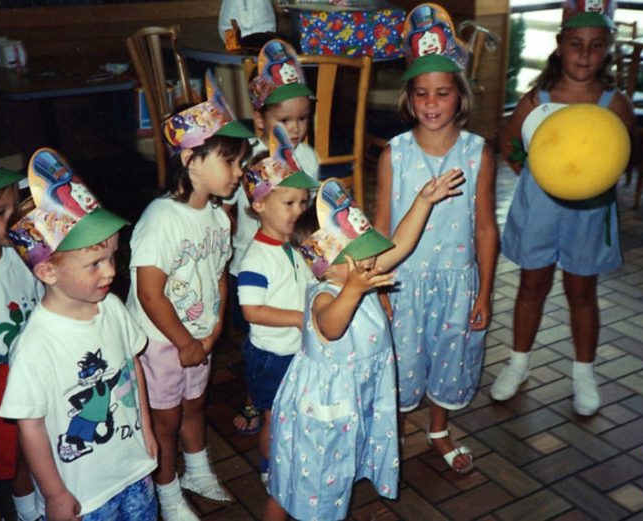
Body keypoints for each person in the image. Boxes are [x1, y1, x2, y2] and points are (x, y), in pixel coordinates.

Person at [265, 170, 464, 521]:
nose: (371, 258)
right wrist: (355, 289)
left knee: (329, 477)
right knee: (308, 489)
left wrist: (423, 201)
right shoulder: (324, 294)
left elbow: (400, 245)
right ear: (324, 264)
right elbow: (331, 325)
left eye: (368, 249)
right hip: (324, 412)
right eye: (358, 253)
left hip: (356, 400)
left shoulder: (360, 273)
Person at [492, 0, 634, 416]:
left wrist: (593, 176)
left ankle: (584, 374)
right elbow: (509, 142)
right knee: (531, 286)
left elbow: (625, 154)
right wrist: (537, 177)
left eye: (595, 45)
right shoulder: (538, 99)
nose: (585, 54)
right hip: (540, 208)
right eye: (576, 44)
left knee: (581, 291)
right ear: (560, 46)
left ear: (607, 49)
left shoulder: (614, 104)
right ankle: (518, 364)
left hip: (589, 214)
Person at [373, 3, 498, 475]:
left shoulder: (477, 154)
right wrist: (380, 284)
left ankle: (439, 427)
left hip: (456, 283)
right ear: (409, 97)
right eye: (421, 93)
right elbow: (382, 226)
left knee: (450, 359)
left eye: (442, 93)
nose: (431, 103)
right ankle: (399, 433)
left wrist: (484, 289)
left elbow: (485, 226)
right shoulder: (394, 155)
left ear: (459, 95)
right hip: (404, 282)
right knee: (402, 363)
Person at [0, 148, 158, 520]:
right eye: (94, 264)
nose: (109, 272)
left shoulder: (113, 309)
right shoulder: (35, 345)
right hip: (84, 493)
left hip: (133, 469)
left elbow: (132, 368)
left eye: (112, 257)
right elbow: (31, 424)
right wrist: (54, 493)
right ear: (49, 273)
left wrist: (146, 430)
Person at [126, 74, 255, 520]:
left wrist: (216, 326)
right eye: (230, 161)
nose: (240, 172)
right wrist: (183, 341)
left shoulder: (219, 216)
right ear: (192, 160)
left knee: (195, 405)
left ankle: (197, 470)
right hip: (162, 341)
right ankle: (166, 489)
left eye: (241, 163)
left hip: (198, 337)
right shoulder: (162, 219)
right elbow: (148, 291)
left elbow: (218, 272)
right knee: (165, 421)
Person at [224, 38, 319, 436]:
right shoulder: (246, 158)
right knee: (256, 340)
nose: (295, 129)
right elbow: (226, 205)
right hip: (251, 260)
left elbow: (312, 213)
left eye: (302, 119)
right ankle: (256, 394)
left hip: (293, 263)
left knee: (290, 336)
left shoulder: (309, 158)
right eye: (285, 119)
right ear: (260, 119)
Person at [236, 122, 320, 488]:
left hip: (298, 348)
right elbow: (252, 311)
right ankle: (270, 467)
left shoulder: (297, 244)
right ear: (259, 204)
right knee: (275, 415)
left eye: (303, 202)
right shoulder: (257, 258)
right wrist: (303, 318)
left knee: (297, 412)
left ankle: (296, 455)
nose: (298, 210)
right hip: (271, 353)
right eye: (288, 203)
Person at [0, 159, 40, 521]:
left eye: (15, 205)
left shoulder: (22, 254)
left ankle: (39, 501)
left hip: (34, 363)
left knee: (37, 444)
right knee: (11, 455)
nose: (12, 220)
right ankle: (25, 513)